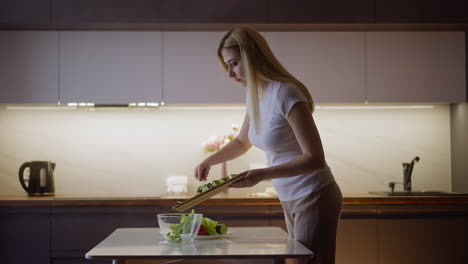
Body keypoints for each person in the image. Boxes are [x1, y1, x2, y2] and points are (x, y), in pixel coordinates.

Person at [194, 27, 343, 264]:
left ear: (252, 57)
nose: (230, 73)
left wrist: (261, 174)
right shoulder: (255, 94)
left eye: (234, 63)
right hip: (289, 195)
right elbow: (243, 141)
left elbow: (314, 158)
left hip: (313, 194)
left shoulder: (286, 93)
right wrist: (209, 160)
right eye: (227, 65)